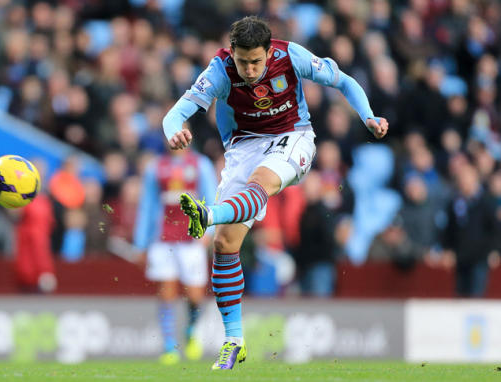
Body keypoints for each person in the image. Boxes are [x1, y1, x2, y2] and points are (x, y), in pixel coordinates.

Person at [164, 16, 388, 369]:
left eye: (256, 61)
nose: (250, 70)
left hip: (293, 137)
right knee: (224, 244)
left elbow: (344, 82)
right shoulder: (220, 70)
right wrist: (174, 130)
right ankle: (234, 340)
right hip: (243, 148)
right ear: (232, 54)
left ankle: (208, 214)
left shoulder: (291, 56)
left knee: (260, 184)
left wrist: (369, 116)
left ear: (269, 51)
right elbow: (175, 113)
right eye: (243, 62)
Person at [133, 146, 217, 365]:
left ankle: (190, 330)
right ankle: (169, 346)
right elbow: (148, 204)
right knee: (166, 292)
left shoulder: (201, 164)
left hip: (192, 238)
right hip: (162, 238)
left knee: (196, 295)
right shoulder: (156, 166)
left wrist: (208, 230)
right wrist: (141, 242)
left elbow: (211, 197)